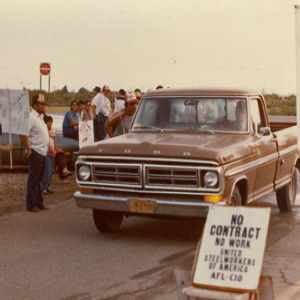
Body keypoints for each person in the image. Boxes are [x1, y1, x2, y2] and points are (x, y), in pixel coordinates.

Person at [20, 94, 49, 212]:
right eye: (41, 104)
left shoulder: (40, 118)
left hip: (42, 152)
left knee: (40, 179)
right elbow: (23, 133)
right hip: (36, 151)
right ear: (35, 105)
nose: (44, 106)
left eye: (44, 104)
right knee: (34, 179)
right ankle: (31, 205)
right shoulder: (31, 117)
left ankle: (39, 202)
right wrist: (28, 149)